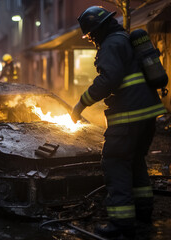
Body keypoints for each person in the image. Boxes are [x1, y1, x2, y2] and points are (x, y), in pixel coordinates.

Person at [71, 6, 167, 239]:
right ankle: (143, 212)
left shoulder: (111, 45)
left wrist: (81, 103)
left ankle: (121, 224)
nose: (92, 39)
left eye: (92, 34)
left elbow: (109, 79)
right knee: (135, 162)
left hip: (128, 116)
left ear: (99, 29)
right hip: (147, 114)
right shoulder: (125, 39)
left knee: (115, 163)